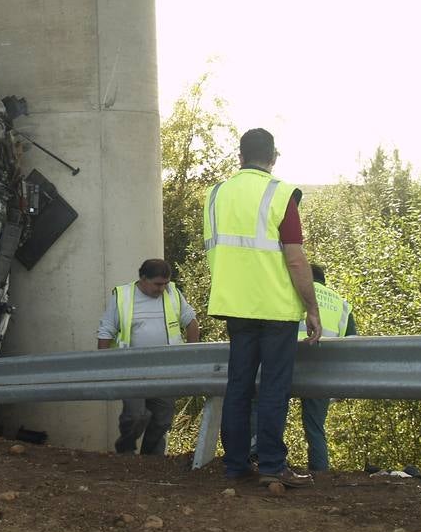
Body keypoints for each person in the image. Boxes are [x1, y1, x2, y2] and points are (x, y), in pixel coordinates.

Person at [203, 128, 321, 487]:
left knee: (238, 386)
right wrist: (311, 307)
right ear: (273, 156)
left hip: (235, 306)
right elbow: (296, 259)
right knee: (272, 388)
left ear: (240, 156)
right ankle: (272, 465)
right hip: (274, 310)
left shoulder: (216, 194)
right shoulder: (280, 193)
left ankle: (236, 465)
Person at [97, 259, 200, 456]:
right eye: (158, 284)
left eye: (165, 283)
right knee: (135, 415)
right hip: (131, 370)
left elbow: (191, 322)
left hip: (166, 369)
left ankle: (152, 459)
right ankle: (125, 450)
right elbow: (106, 331)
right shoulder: (123, 296)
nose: (162, 288)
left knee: (162, 419)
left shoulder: (172, 293)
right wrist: (104, 366)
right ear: (143, 279)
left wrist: (191, 355)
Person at [295, 263, 357, 472]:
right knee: (314, 428)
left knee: (271, 413)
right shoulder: (341, 304)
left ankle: (268, 463)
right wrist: (341, 383)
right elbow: (353, 345)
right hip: (322, 370)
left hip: (289, 362)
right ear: (324, 280)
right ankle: (320, 475)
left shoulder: (294, 292)